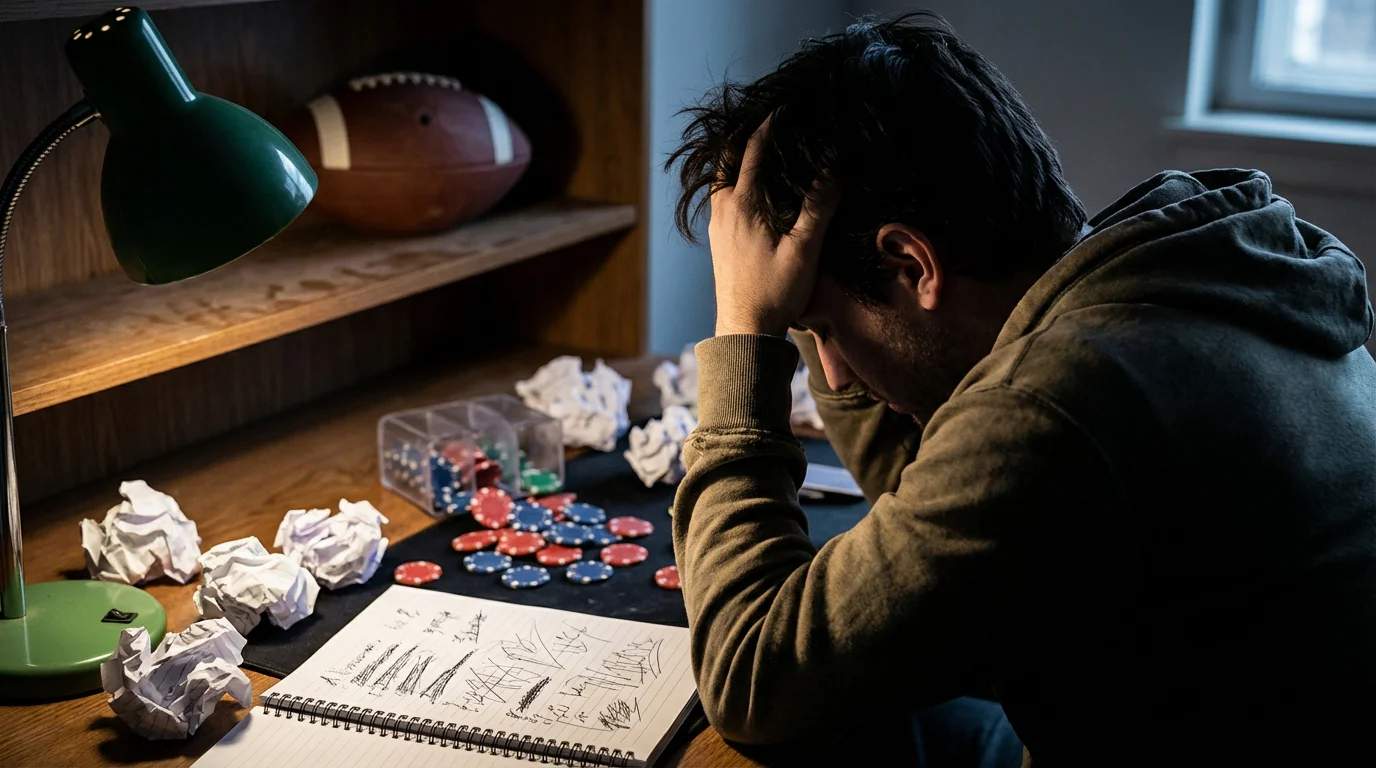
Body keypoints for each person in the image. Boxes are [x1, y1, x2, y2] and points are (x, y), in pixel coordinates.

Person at [665, 11, 1376, 767]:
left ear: (913, 265)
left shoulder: (1058, 404)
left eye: (825, 331)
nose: (833, 377)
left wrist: (746, 331)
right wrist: (814, 320)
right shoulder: (1196, 270)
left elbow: (751, 686)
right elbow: (934, 528)